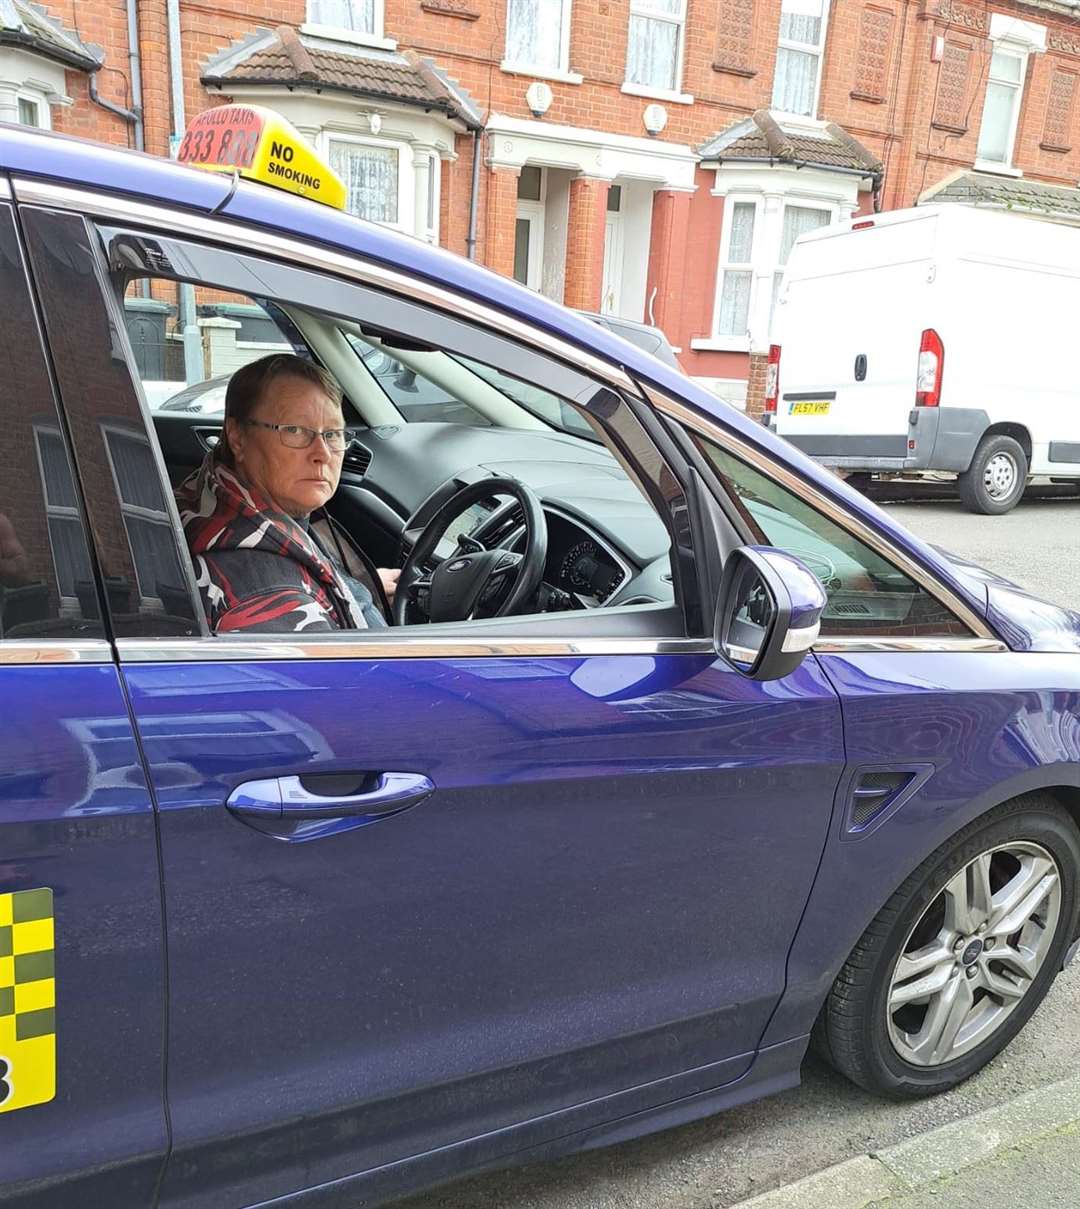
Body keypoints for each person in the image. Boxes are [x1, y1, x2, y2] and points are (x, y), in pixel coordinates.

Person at [175, 353, 399, 634]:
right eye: (294, 430)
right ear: (237, 438)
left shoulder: (220, 491)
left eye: (332, 434)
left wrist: (351, 589)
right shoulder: (271, 601)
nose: (323, 453)